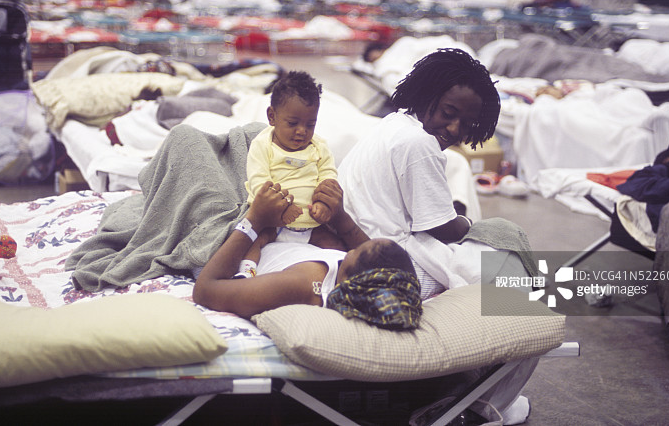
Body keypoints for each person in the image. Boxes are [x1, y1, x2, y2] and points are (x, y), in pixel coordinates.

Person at [337, 48, 536, 424]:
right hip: (403, 260)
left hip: (376, 247)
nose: (457, 130)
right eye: (449, 113)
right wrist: (465, 222)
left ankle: (471, 394)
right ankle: (478, 407)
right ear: (426, 95)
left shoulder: (395, 124)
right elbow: (440, 227)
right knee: (526, 303)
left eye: (468, 122)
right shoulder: (418, 144)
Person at [193, 179, 422, 331]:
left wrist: (255, 219)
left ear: (346, 278)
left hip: (236, 239)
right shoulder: (361, 278)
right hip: (276, 230)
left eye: (350, 252)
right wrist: (339, 216)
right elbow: (371, 253)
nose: (350, 247)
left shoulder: (301, 284)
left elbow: (205, 290)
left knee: (186, 142)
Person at [238, 71, 340, 278]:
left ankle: (347, 273)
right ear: (272, 116)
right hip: (273, 221)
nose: (302, 131)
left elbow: (328, 174)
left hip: (311, 222)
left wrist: (323, 203)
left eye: (310, 124)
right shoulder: (262, 145)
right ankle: (246, 273)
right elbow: (259, 181)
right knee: (251, 240)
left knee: (336, 243)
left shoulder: (318, 146)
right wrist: (279, 207)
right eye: (293, 124)